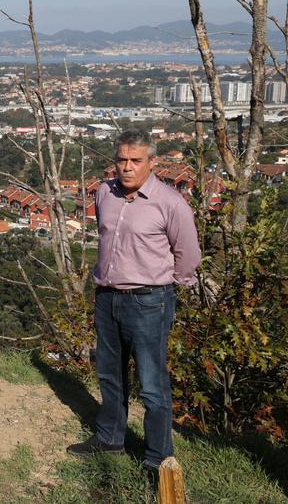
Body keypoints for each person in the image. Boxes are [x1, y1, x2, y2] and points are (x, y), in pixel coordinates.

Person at [67, 130, 201, 477]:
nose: (127, 167)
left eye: (135, 161)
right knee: (110, 374)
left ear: (151, 162)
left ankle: (158, 458)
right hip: (107, 298)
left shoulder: (170, 203)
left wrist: (169, 290)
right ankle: (110, 436)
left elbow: (188, 254)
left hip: (148, 301)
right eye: (121, 160)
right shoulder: (105, 193)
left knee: (152, 384)